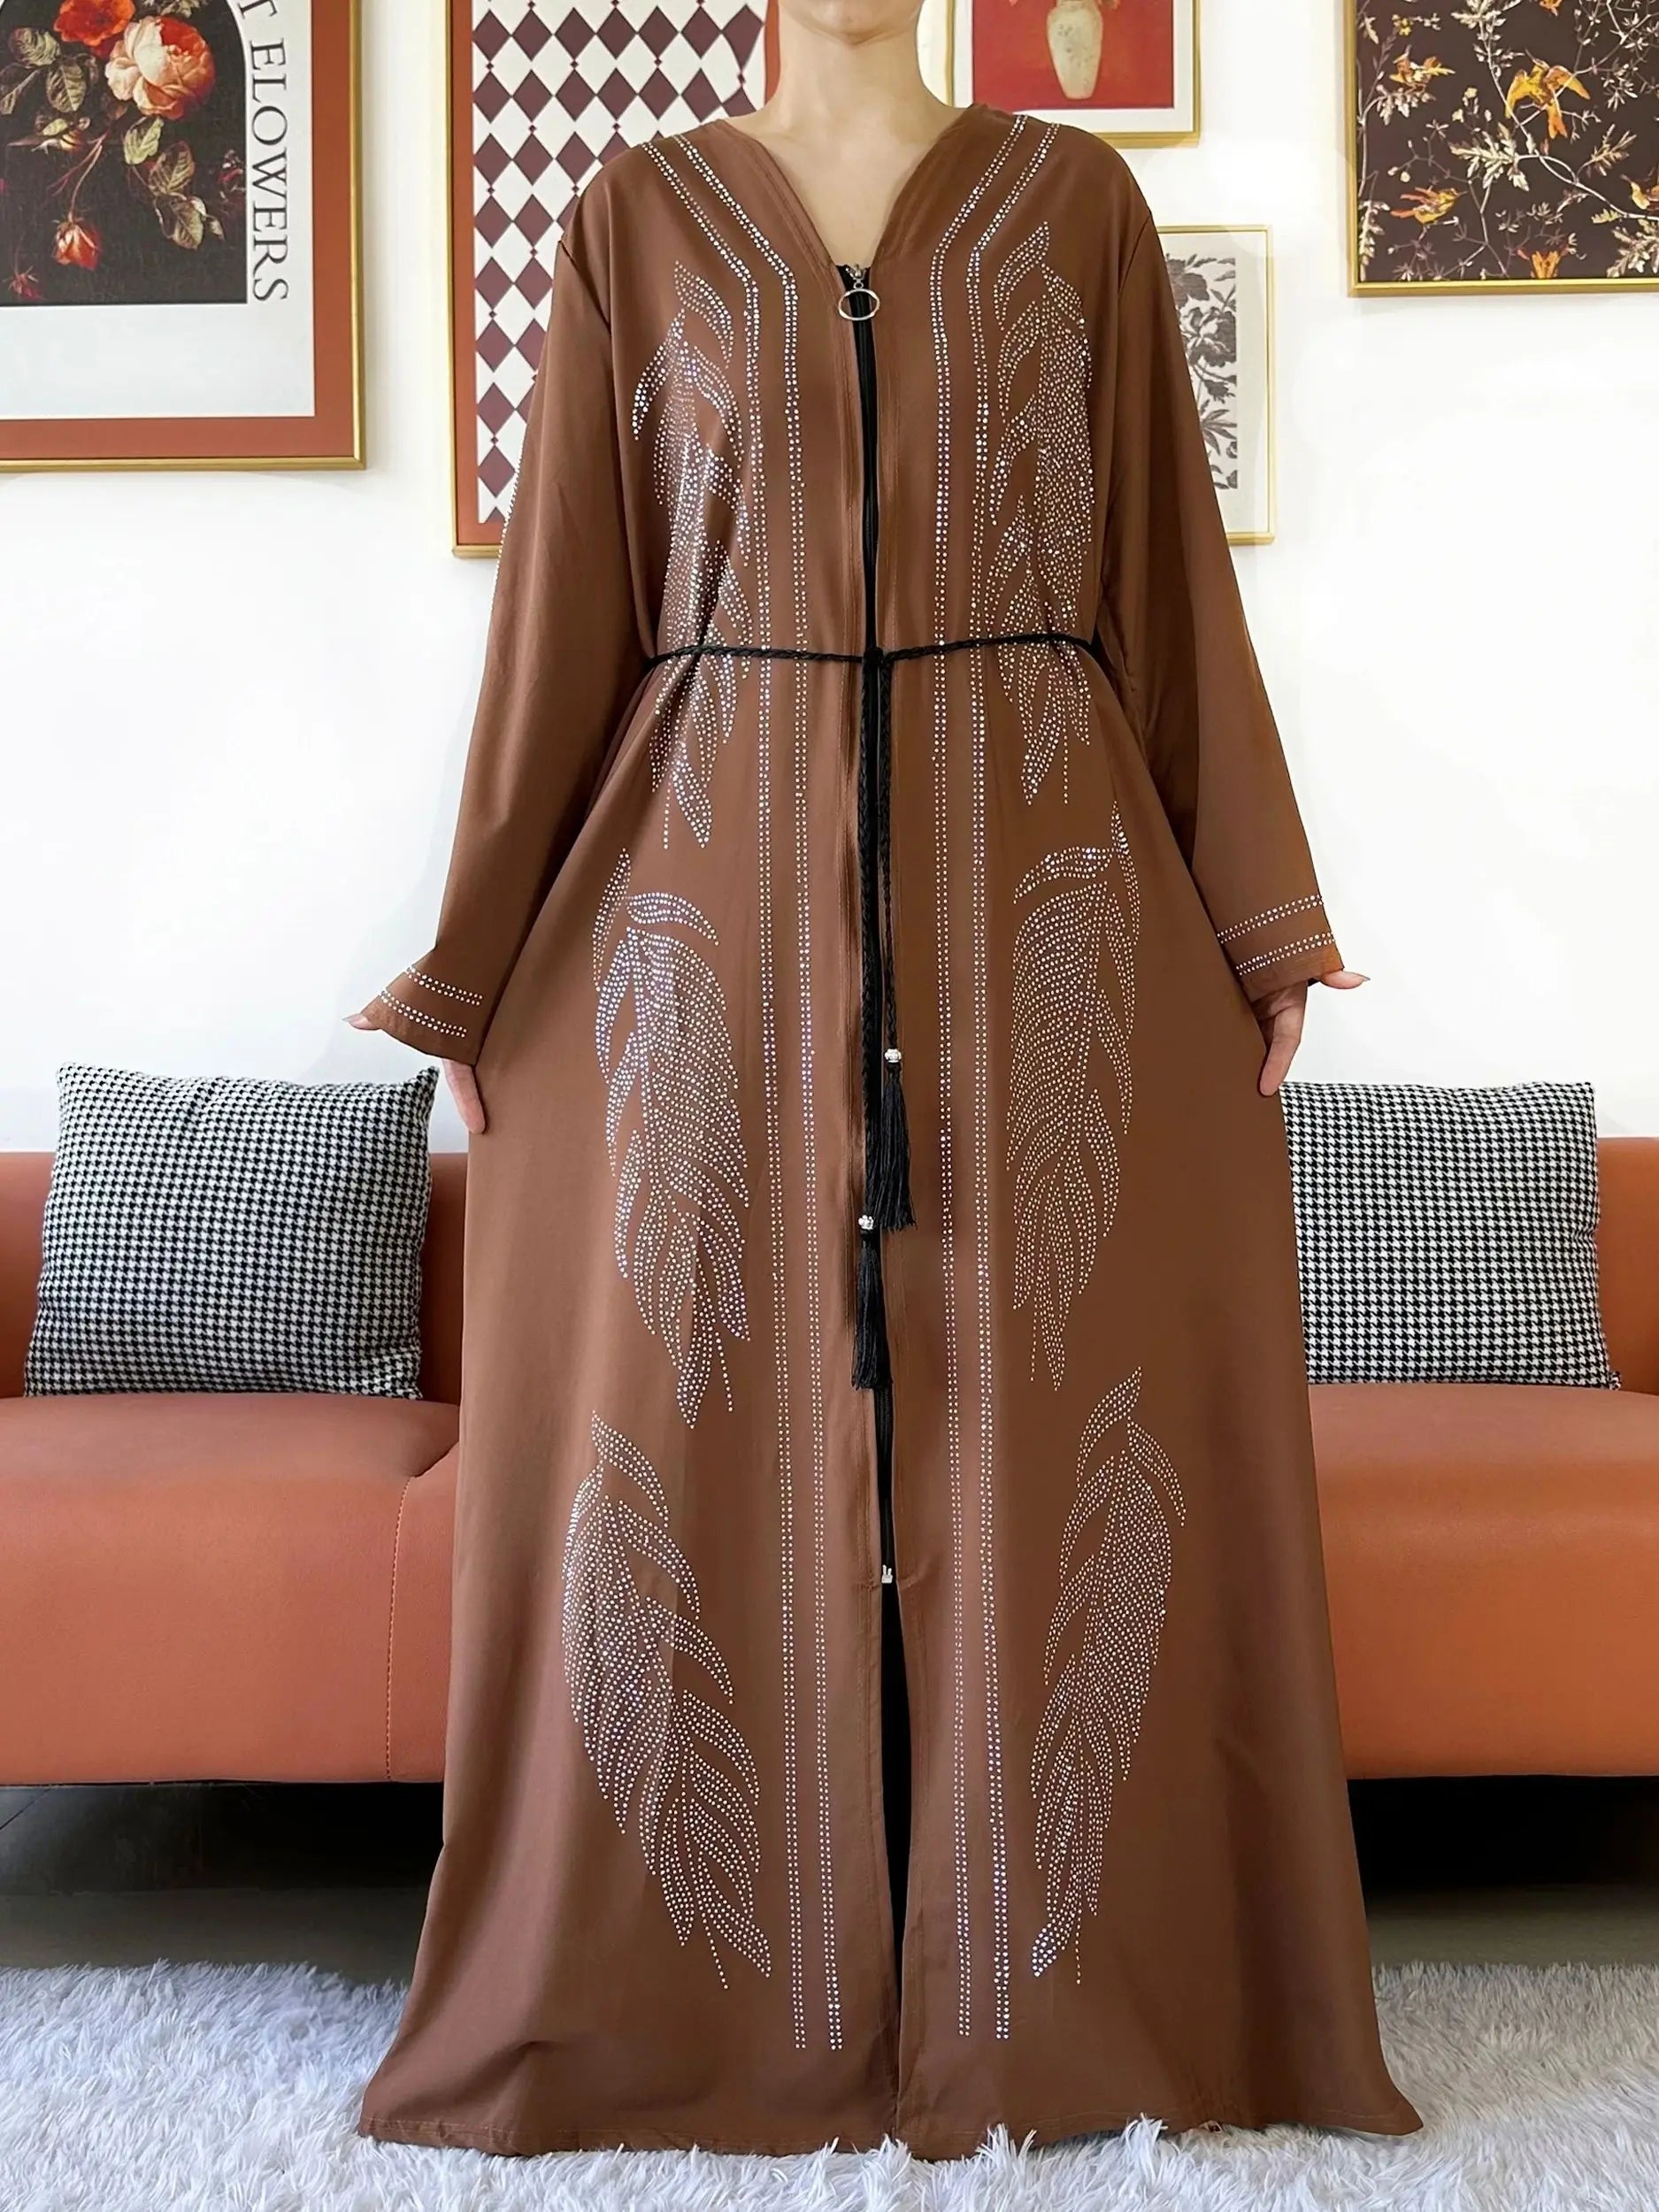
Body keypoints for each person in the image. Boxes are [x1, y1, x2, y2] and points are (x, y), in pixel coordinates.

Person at [350, 0, 1420, 2160]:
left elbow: (1166, 589)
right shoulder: (634, 218)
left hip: (1050, 920)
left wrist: (1253, 917)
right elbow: (564, 619)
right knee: (688, 1410)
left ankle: (1059, 2004)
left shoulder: (1076, 207)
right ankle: (690, 2000)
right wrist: (475, 967)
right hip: (708, 914)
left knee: (1064, 1424)